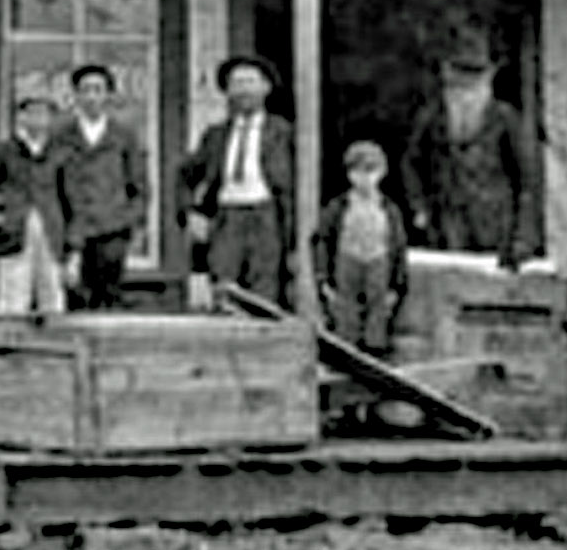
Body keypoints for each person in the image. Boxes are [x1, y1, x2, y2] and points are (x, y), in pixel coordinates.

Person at [405, 30, 537, 265]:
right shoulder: (432, 117)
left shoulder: (505, 118)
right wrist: (419, 207)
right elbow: (411, 162)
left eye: (474, 76)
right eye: (459, 76)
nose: (465, 87)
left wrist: (523, 237)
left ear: (487, 79)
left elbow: (527, 180)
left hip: (497, 231)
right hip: (447, 228)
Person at [178, 54, 296, 306]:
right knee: (224, 287)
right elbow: (185, 176)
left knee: (264, 292)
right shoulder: (216, 135)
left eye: (250, 82)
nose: (244, 90)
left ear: (266, 87)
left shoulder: (284, 133)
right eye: (236, 84)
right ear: (227, 91)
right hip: (227, 218)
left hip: (266, 217)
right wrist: (191, 213)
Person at [50, 61, 150, 308]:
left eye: (98, 90)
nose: (91, 97)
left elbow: (139, 187)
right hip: (73, 233)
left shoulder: (123, 135)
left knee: (109, 299)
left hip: (112, 232)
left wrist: (127, 221)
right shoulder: (61, 136)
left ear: (108, 95)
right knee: (75, 299)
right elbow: (50, 184)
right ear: (75, 96)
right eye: (85, 90)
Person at [0, 87, 68, 318]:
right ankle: (9, 339)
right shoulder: (5, 151)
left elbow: (71, 198)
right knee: (12, 300)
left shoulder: (60, 153)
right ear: (21, 117)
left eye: (43, 112)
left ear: (51, 118)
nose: (38, 118)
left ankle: (54, 340)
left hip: (51, 233)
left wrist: (72, 239)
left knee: (52, 297)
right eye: (31, 112)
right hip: (14, 234)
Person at [312, 139, 410, 351]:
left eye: (370, 171)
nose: (364, 178)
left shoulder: (389, 210)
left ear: (382, 173)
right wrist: (323, 278)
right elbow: (322, 241)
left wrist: (398, 284)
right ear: (349, 174)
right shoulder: (338, 207)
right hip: (346, 263)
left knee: (378, 317)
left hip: (379, 264)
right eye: (357, 171)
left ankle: (375, 351)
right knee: (345, 318)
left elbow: (399, 248)